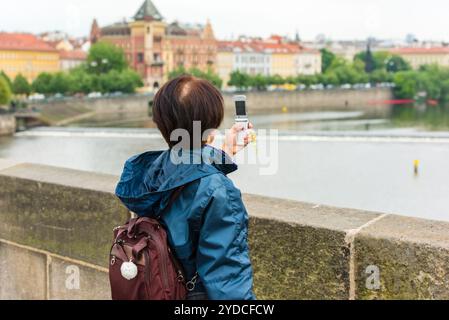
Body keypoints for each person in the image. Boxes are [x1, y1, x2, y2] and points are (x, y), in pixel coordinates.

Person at [115, 75, 255, 300]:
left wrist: (227, 152)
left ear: (161, 123)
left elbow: (187, 169)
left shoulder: (150, 169)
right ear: (212, 124)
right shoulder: (220, 191)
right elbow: (227, 278)